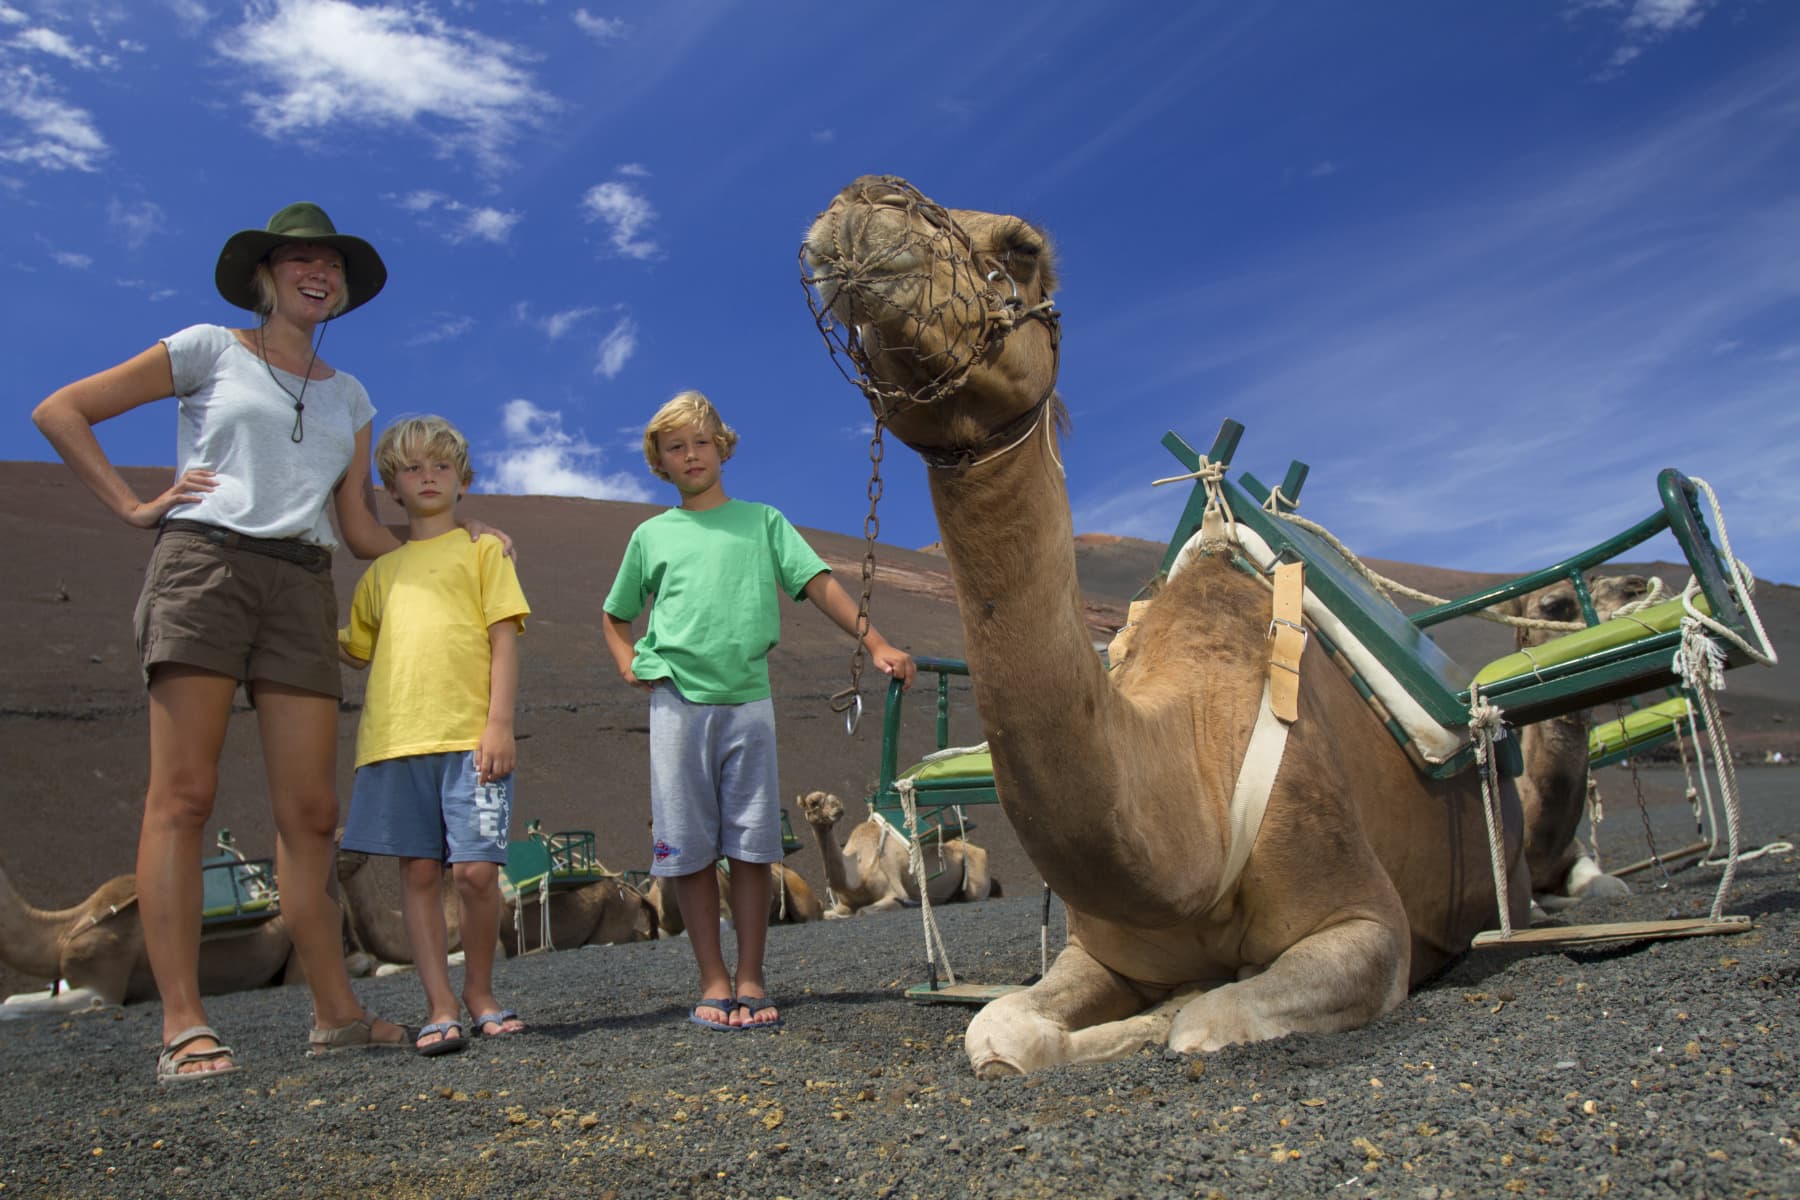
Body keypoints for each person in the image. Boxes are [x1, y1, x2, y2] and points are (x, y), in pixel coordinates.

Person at [31, 202, 505, 1083]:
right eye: (300, 261)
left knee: (313, 814)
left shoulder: (350, 397)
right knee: (184, 794)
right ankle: (182, 1023)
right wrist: (136, 507)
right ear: (266, 275)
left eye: (331, 265)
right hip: (204, 565)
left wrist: (456, 538)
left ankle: (336, 1014)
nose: (317, 275)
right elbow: (62, 410)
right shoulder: (208, 348)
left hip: (300, 583)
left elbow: (360, 526)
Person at [602, 390, 916, 1031]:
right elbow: (615, 614)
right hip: (676, 702)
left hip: (748, 699)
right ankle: (713, 980)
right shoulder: (651, 534)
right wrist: (625, 659)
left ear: (722, 444)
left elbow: (819, 583)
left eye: (701, 440)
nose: (691, 454)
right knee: (688, 850)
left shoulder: (762, 522)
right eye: (675, 447)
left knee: (750, 848)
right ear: (660, 461)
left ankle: (751, 976)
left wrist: (878, 643)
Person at [338, 415, 530, 1055]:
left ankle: (479, 991)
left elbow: (505, 639)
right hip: (394, 744)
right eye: (412, 468)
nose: (427, 477)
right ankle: (439, 1005)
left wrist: (499, 723)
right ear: (391, 486)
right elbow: (354, 651)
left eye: (440, 466)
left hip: (472, 742)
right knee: (418, 872)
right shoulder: (379, 575)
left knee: (476, 873)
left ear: (463, 480)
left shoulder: (483, 552)